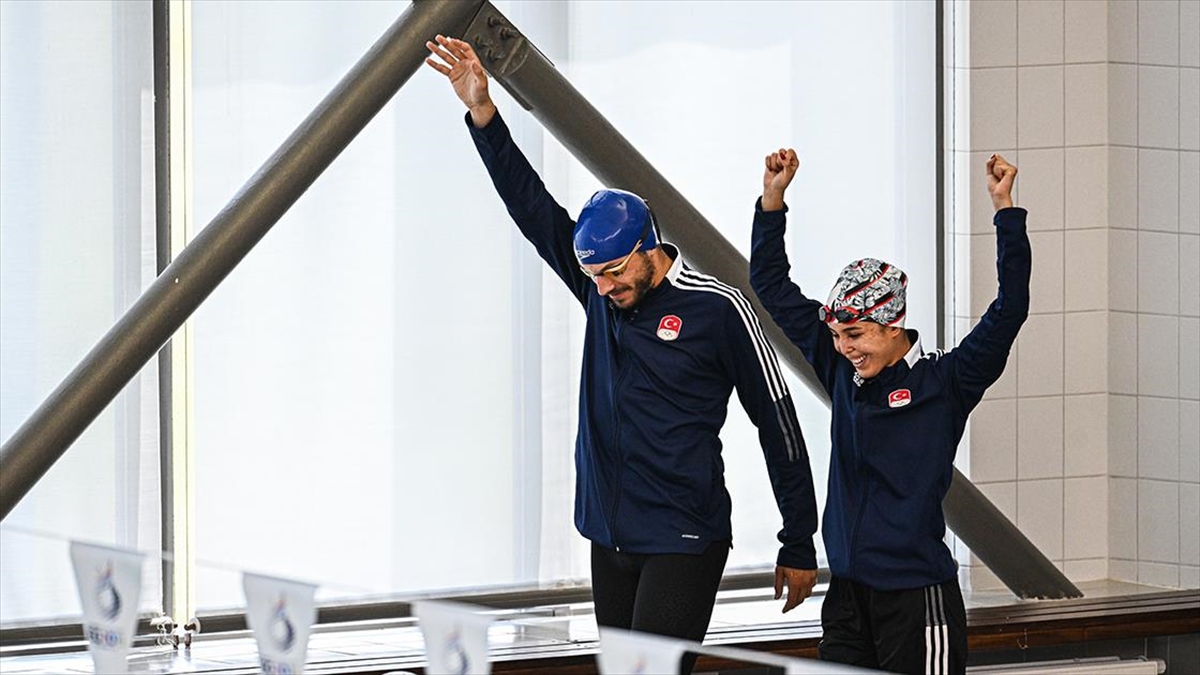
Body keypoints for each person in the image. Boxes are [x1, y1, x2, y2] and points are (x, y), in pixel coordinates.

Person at [424, 35, 820, 656]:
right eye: (593, 276)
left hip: (682, 537)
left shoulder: (717, 309)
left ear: (647, 249)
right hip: (608, 535)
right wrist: (483, 113)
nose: (604, 288)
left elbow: (778, 422)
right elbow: (531, 208)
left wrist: (798, 539)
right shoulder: (600, 291)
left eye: (613, 272)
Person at [750, 149, 1028, 675]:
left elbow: (1010, 308)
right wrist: (772, 200)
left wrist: (1005, 212)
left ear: (893, 325)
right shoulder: (840, 369)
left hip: (917, 599)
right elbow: (770, 285)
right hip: (848, 598)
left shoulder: (946, 382)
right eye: (836, 335)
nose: (844, 347)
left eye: (855, 334)